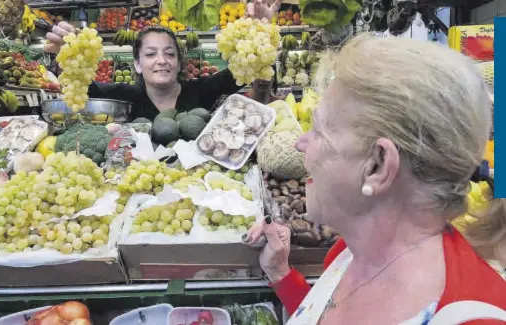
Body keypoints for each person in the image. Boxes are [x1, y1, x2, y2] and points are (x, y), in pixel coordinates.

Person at [246, 34, 506, 325]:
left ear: (379, 165)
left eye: (319, 130)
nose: (300, 143)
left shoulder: (474, 318)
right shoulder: (353, 253)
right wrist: (280, 272)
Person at [44, 0, 281, 121]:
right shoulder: (125, 96)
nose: (162, 60)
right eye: (150, 54)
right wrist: (65, 56)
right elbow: (84, 89)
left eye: (169, 53)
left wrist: (263, 29)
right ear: (137, 64)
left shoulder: (201, 90)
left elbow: (249, 73)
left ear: (179, 62)